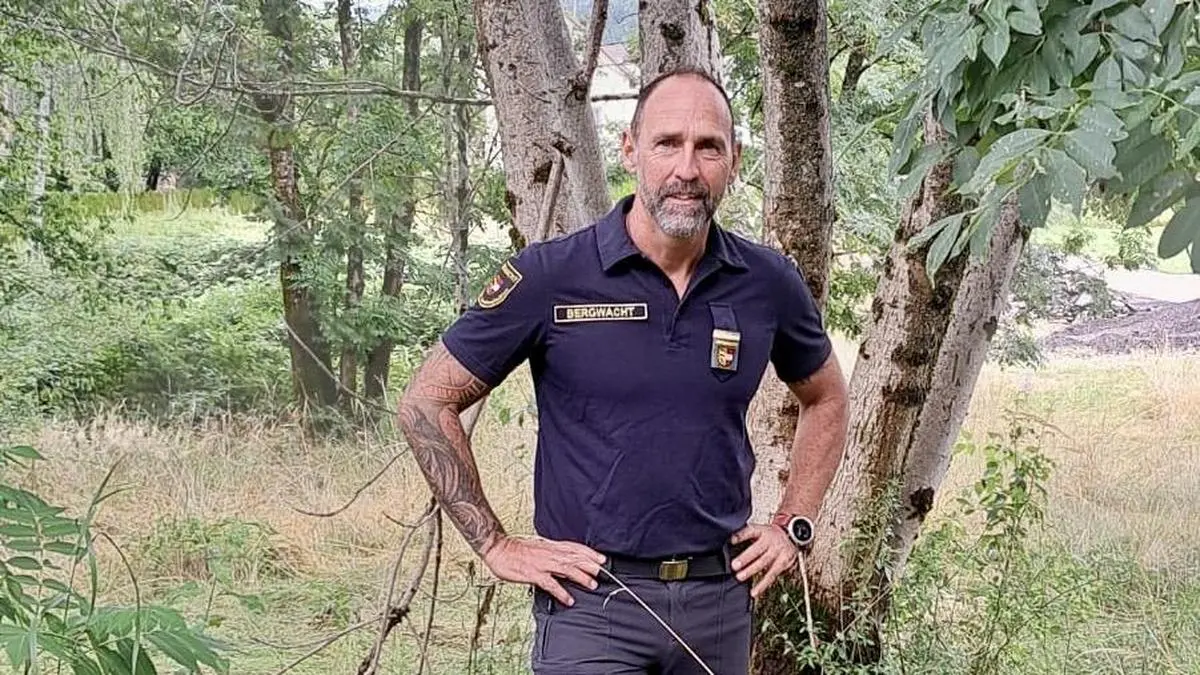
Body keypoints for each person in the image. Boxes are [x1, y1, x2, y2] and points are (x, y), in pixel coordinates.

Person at [396, 67, 849, 675]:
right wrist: (494, 544)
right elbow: (426, 401)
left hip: (718, 601)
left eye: (708, 147)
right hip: (591, 603)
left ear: (734, 161)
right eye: (667, 143)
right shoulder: (552, 276)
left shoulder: (767, 282)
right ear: (630, 149)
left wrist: (793, 523)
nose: (687, 169)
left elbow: (827, 398)